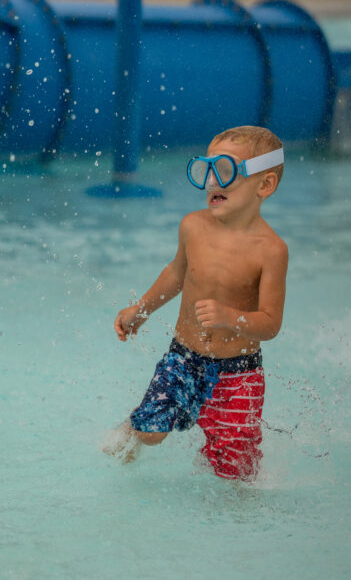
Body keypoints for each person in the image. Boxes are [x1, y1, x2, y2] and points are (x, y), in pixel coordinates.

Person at [104, 126, 288, 481]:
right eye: (207, 170)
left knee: (236, 469)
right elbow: (175, 274)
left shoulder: (271, 250)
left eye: (226, 170)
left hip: (239, 373)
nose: (212, 182)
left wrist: (230, 317)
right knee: (151, 431)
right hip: (184, 356)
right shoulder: (193, 227)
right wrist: (140, 310)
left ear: (264, 186)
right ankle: (132, 426)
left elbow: (271, 324)